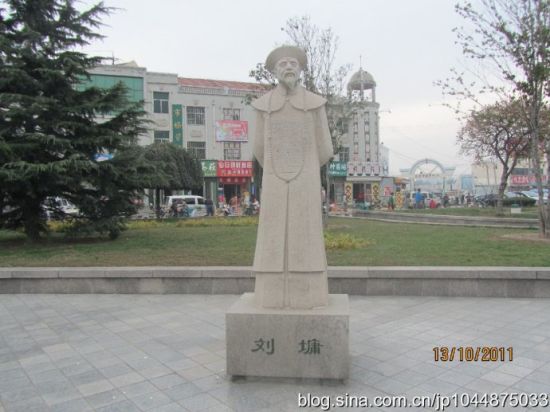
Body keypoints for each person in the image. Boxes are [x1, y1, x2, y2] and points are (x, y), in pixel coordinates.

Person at [251, 45, 334, 309]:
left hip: (306, 180)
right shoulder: (263, 106)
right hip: (274, 181)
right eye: (283, 64)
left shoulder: (315, 103)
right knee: (272, 233)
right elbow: (259, 149)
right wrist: (277, 171)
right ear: (275, 71)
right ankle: (271, 290)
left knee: (306, 230)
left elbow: (325, 148)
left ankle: (307, 287)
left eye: (293, 64)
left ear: (300, 69)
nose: (288, 68)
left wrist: (307, 169)